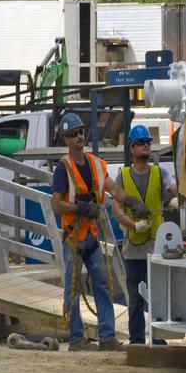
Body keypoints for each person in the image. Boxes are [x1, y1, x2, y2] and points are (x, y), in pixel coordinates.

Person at [49, 112, 119, 351]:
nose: (78, 136)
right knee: (73, 288)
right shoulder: (63, 169)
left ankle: (107, 337)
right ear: (66, 140)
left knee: (102, 283)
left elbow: (112, 188)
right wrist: (80, 208)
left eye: (80, 132)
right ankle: (76, 338)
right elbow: (56, 204)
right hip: (73, 238)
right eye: (72, 134)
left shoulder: (95, 165)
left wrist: (130, 201)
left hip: (89, 236)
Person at [109, 124, 180, 345]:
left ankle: (158, 339)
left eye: (148, 142)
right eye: (141, 143)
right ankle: (137, 340)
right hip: (133, 249)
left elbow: (173, 190)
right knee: (136, 300)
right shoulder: (123, 176)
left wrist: (177, 197)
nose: (145, 146)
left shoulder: (160, 173)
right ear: (132, 148)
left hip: (157, 249)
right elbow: (117, 209)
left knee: (158, 298)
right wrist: (133, 225)